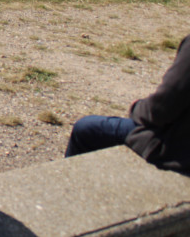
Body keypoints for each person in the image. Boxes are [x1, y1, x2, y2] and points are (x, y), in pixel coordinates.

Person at [65, 34, 190, 173]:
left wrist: (137, 108)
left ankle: (67, 189)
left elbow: (159, 110)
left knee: (86, 129)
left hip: (179, 152)